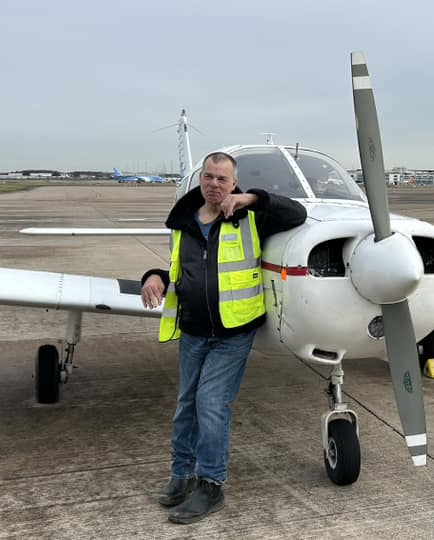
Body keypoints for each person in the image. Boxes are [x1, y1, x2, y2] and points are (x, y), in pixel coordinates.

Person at [140, 151, 306, 524]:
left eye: (223, 180)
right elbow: (177, 270)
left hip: (234, 331)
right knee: (186, 404)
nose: (214, 184)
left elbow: (296, 214)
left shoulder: (250, 216)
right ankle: (181, 474)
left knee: (211, 403)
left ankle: (211, 485)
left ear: (234, 184)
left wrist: (254, 198)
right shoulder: (184, 221)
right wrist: (153, 277)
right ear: (201, 179)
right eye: (209, 177)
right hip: (195, 329)